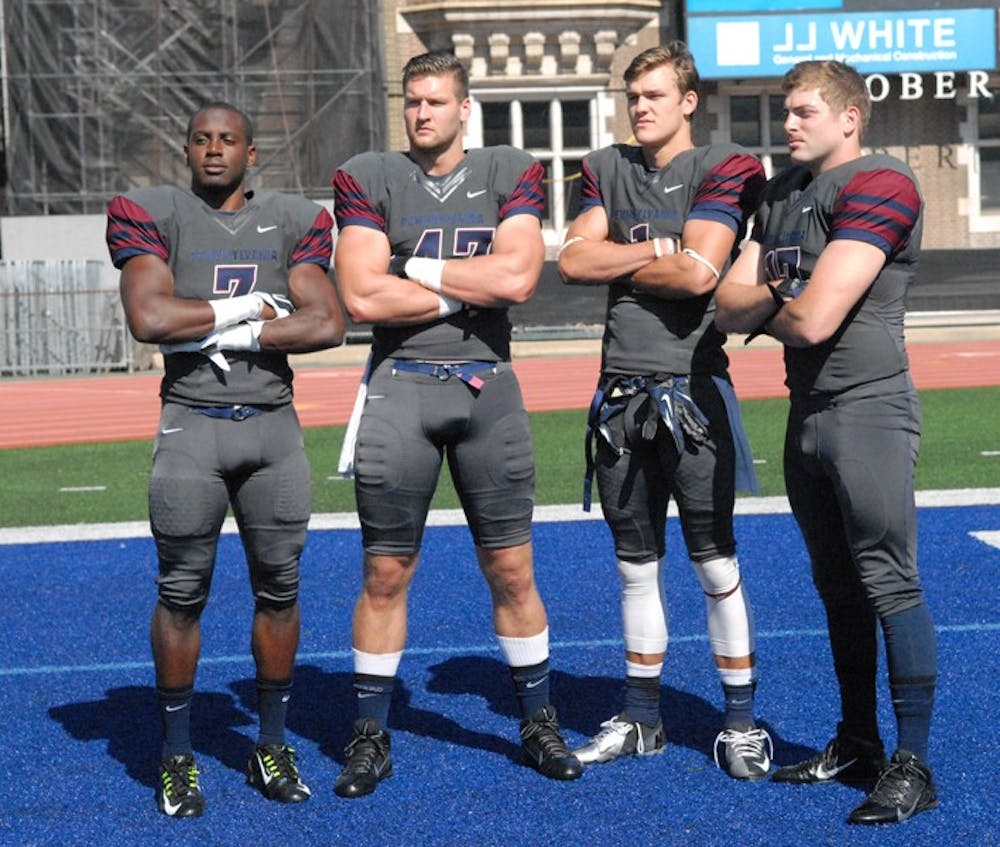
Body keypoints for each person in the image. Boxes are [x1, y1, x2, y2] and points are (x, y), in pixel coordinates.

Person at [330, 50, 582, 798]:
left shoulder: (508, 168)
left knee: (512, 567)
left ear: (464, 107)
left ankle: (538, 718)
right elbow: (362, 299)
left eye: (437, 101)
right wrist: (466, 289)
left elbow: (518, 278)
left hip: (487, 390)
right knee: (384, 570)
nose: (423, 113)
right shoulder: (369, 175)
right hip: (400, 388)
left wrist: (413, 268)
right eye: (413, 101)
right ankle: (370, 732)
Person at [714, 60, 938, 824]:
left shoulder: (881, 181)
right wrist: (782, 295)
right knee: (837, 586)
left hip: (868, 407)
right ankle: (858, 739)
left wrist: (768, 299)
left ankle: (913, 763)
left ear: (850, 117)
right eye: (785, 111)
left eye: (805, 111)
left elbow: (811, 320)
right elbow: (724, 306)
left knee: (889, 581)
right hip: (804, 410)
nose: (788, 124)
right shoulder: (779, 193)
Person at [106, 102, 344, 817]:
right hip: (193, 427)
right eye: (201, 139)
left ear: (252, 153)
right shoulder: (152, 212)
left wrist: (216, 330)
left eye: (228, 140)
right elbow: (150, 318)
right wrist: (250, 311)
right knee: (182, 590)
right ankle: (176, 753)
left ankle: (270, 739)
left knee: (281, 585)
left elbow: (328, 321)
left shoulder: (294, 219)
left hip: (271, 428)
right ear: (185, 150)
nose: (214, 150)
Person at [557, 42, 771, 780]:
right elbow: (571, 261)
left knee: (715, 563)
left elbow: (698, 273)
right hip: (619, 392)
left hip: (692, 391)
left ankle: (740, 721)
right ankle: (642, 715)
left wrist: (622, 246)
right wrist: (656, 245)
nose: (640, 107)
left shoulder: (727, 164)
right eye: (633, 96)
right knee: (634, 568)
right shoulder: (603, 165)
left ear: (688, 101)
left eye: (654, 95)